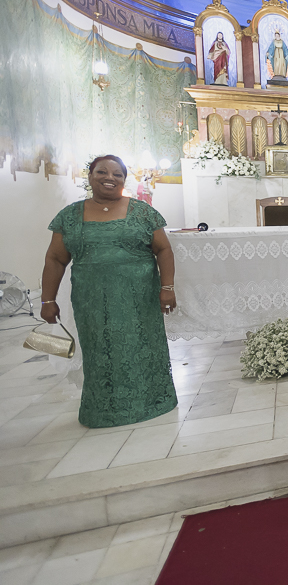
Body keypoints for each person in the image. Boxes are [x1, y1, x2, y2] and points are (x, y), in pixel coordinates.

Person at [41, 156, 178, 428]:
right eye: (102, 172)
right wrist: (48, 299)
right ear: (90, 176)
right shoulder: (69, 216)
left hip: (138, 299)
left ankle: (154, 401)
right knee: (98, 350)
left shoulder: (143, 212)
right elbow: (55, 259)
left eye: (117, 174)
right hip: (91, 300)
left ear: (124, 179)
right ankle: (103, 409)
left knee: (142, 347)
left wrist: (167, 287)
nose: (110, 178)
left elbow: (163, 249)